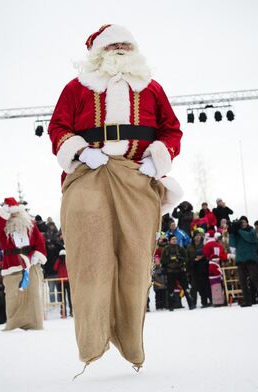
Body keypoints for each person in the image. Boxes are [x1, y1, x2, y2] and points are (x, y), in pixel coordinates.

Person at [48, 24, 183, 369]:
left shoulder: (151, 88)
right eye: (113, 46)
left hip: (137, 177)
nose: (120, 50)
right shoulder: (76, 88)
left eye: (126, 44)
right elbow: (58, 128)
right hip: (89, 176)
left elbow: (172, 129)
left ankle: (131, 343)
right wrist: (80, 152)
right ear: (98, 52)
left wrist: (157, 159)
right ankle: (92, 341)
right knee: (91, 260)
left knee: (136, 263)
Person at [0, 197, 47, 331]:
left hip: (31, 265)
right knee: (13, 297)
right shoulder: (3, 228)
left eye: (16, 212)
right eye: (11, 212)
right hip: (11, 266)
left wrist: (37, 256)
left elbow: (40, 242)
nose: (14, 215)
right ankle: (14, 324)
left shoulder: (31, 225)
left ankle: (34, 323)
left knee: (33, 295)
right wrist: (4, 210)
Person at [229, 217, 258, 307]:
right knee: (242, 281)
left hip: (251, 259)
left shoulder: (252, 231)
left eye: (244, 222)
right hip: (240, 259)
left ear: (247, 223)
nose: (242, 224)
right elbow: (232, 244)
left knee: (256, 279)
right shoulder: (237, 232)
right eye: (241, 222)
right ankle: (247, 301)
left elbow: (249, 238)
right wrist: (231, 232)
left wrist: (238, 230)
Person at [161, 235, 194, 311]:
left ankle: (191, 304)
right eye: (173, 239)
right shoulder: (166, 249)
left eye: (175, 239)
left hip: (180, 271)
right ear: (169, 240)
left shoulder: (180, 248)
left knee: (186, 288)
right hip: (170, 272)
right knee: (170, 290)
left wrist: (181, 259)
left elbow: (186, 258)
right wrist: (170, 259)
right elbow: (163, 261)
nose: (174, 240)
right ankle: (171, 306)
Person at [186, 231, 210, 308]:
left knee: (204, 286)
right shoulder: (189, 246)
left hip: (203, 268)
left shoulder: (204, 244)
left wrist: (202, 258)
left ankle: (205, 302)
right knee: (194, 287)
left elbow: (207, 254)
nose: (198, 237)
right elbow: (187, 258)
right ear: (193, 237)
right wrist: (188, 268)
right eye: (196, 235)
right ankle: (193, 303)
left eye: (199, 235)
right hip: (193, 269)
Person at [54, 249, 72, 317]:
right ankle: (70, 312)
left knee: (63, 298)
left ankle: (64, 313)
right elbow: (55, 268)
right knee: (68, 298)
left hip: (62, 281)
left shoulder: (60, 261)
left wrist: (58, 260)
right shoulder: (68, 260)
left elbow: (55, 268)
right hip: (66, 281)